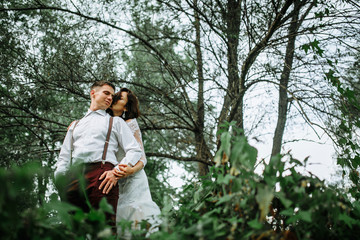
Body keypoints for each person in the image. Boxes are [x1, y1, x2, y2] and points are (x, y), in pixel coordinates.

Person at [54, 81, 143, 229]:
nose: (110, 98)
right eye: (106, 93)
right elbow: (64, 157)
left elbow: (135, 150)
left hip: (102, 177)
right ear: (93, 93)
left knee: (104, 230)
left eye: (112, 95)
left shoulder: (115, 122)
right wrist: (60, 180)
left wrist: (116, 172)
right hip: (73, 179)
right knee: (73, 231)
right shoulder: (75, 125)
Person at [106, 88, 161, 236]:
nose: (114, 99)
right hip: (116, 179)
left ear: (125, 107)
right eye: (115, 96)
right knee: (119, 220)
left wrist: (131, 170)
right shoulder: (106, 121)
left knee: (137, 218)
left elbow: (142, 156)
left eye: (119, 98)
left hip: (134, 178)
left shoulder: (130, 123)